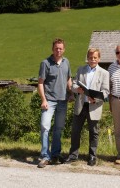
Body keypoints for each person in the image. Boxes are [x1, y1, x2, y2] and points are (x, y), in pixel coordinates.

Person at [64, 48, 110, 166]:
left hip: (94, 106)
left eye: (95, 58)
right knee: (75, 131)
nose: (92, 60)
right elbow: (74, 83)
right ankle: (73, 155)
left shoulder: (104, 73)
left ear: (99, 59)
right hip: (80, 104)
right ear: (87, 58)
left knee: (94, 132)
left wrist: (96, 98)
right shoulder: (81, 69)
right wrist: (76, 89)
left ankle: (92, 156)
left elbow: (106, 91)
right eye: (90, 57)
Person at [37, 38, 74, 168]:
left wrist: (71, 93)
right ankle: (45, 156)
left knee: (58, 129)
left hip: (62, 101)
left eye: (61, 48)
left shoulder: (66, 62)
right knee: (45, 126)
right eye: (56, 48)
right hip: (49, 101)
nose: (58, 50)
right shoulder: (45, 63)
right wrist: (43, 100)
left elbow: (68, 79)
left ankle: (55, 154)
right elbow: (40, 83)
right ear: (52, 49)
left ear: (64, 49)